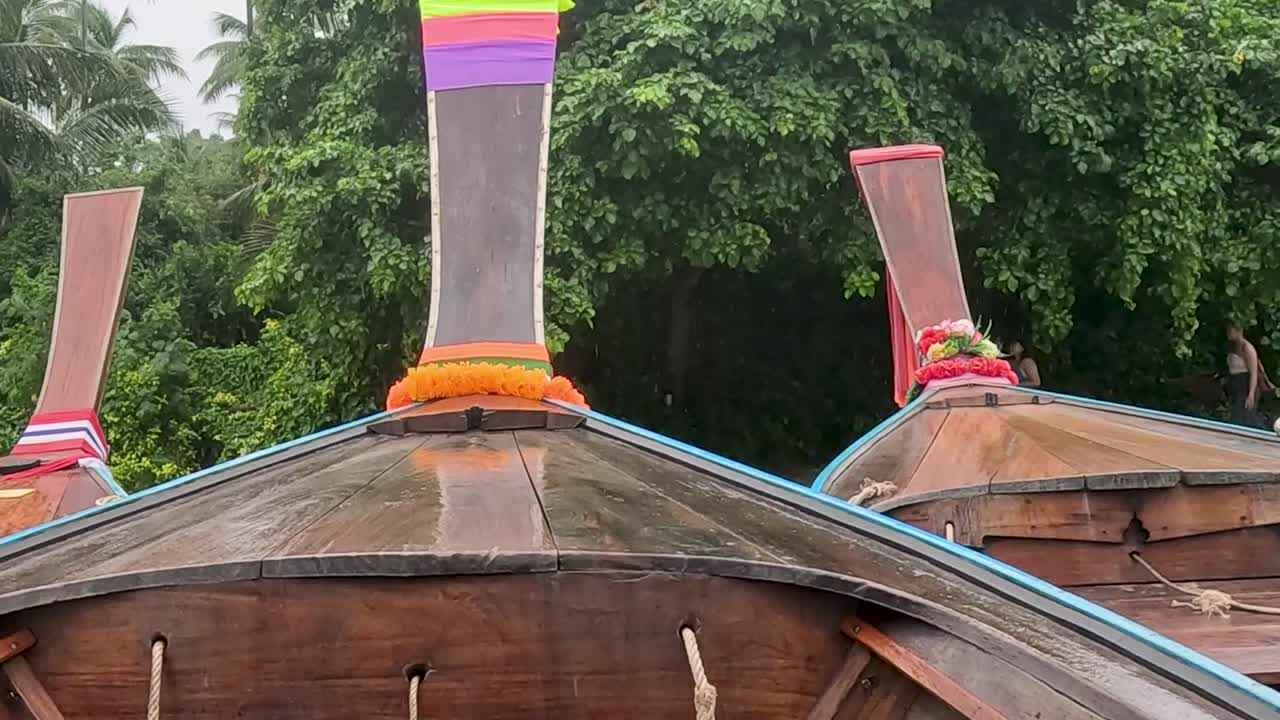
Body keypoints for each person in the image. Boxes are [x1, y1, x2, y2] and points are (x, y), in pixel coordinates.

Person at [1226, 322, 1272, 427]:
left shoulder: (1247, 348)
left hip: (1245, 384)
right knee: (1236, 415)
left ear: (1239, 331)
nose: (1228, 333)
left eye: (1230, 330)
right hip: (1235, 383)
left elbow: (1253, 373)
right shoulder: (1232, 346)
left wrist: (1251, 394)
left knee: (1246, 416)